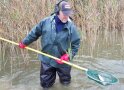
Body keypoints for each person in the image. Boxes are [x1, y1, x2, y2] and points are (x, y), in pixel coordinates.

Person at [19, 0, 80, 89]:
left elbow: (75, 44)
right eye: (64, 14)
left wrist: (68, 56)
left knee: (66, 84)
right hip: (47, 60)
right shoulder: (45, 22)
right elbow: (34, 33)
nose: (67, 16)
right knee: (45, 85)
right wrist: (24, 42)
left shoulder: (72, 27)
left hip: (63, 61)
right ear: (57, 12)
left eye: (68, 13)